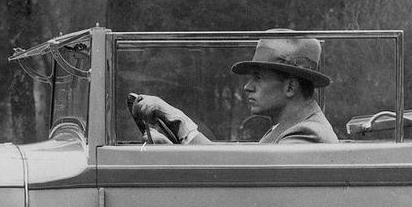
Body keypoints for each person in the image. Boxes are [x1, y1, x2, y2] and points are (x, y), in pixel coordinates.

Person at [129, 30, 338, 144]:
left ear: (291, 86)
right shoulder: (287, 129)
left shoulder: (306, 134)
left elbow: (245, 175)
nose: (247, 87)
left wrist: (181, 124)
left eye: (258, 77)